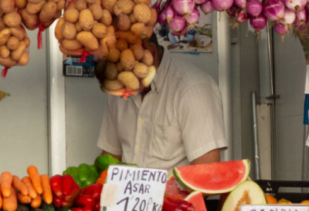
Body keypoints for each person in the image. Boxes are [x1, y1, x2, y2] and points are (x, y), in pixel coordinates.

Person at [96, 42, 227, 170]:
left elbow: (207, 173)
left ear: (150, 53)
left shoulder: (193, 89)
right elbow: (110, 156)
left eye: (126, 68)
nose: (122, 80)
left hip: (175, 192)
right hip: (125, 190)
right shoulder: (118, 87)